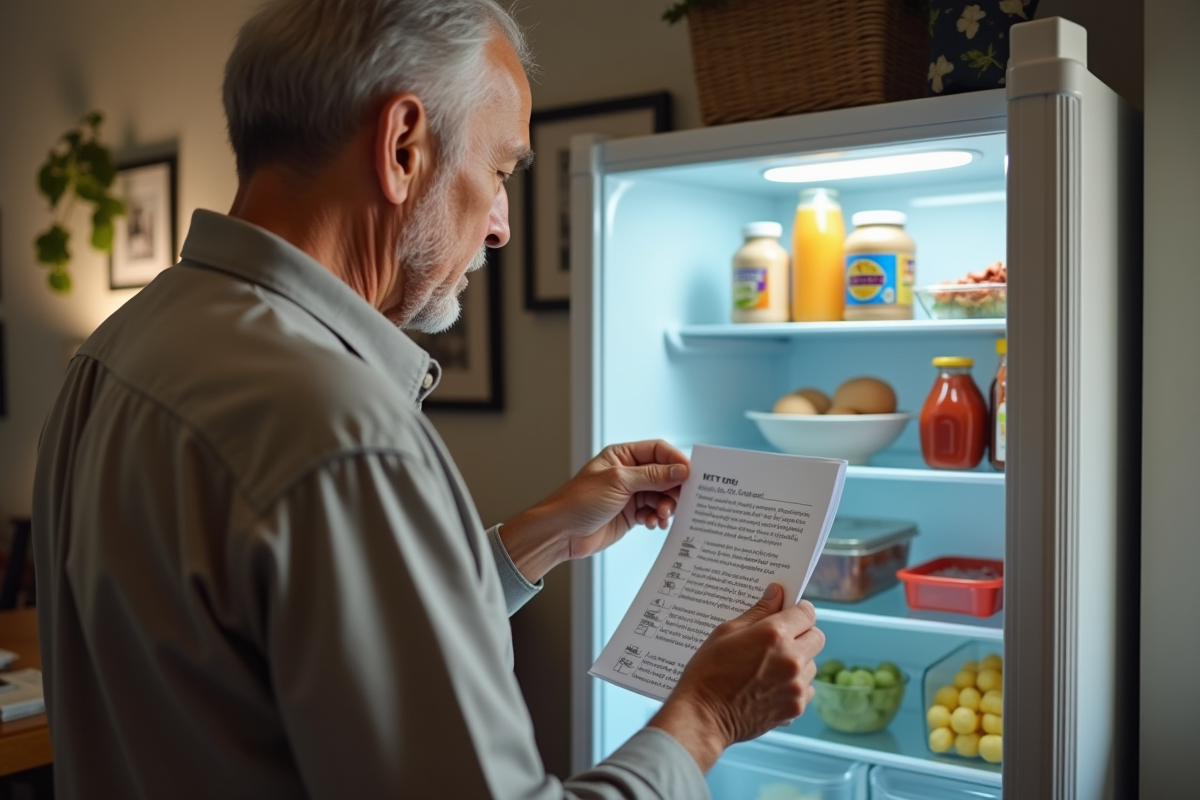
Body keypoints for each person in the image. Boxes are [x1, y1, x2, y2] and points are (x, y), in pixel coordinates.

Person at [30, 1, 825, 798]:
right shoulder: (339, 427)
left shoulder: (117, 349)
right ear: (403, 145)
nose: (502, 226)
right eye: (503, 171)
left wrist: (539, 539)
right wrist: (707, 716)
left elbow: (281, 637)